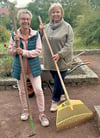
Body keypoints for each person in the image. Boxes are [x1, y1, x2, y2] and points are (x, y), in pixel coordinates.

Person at [8, 9, 49, 127]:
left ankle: (42, 114)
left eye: (27, 19)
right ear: (19, 20)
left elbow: (38, 51)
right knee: (22, 91)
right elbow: (10, 52)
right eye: (23, 19)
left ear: (30, 20)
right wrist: (15, 47)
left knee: (38, 90)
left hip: (33, 68)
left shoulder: (35, 34)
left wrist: (24, 52)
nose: (25, 21)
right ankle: (26, 110)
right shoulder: (14, 35)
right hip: (19, 68)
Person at [39, 3, 74, 112]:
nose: (55, 14)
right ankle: (62, 94)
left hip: (62, 59)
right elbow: (42, 40)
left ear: (61, 13)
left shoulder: (67, 27)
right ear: (50, 14)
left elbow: (69, 44)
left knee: (59, 80)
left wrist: (60, 54)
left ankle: (55, 100)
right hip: (50, 60)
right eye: (53, 12)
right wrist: (41, 31)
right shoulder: (47, 27)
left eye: (57, 11)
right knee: (57, 79)